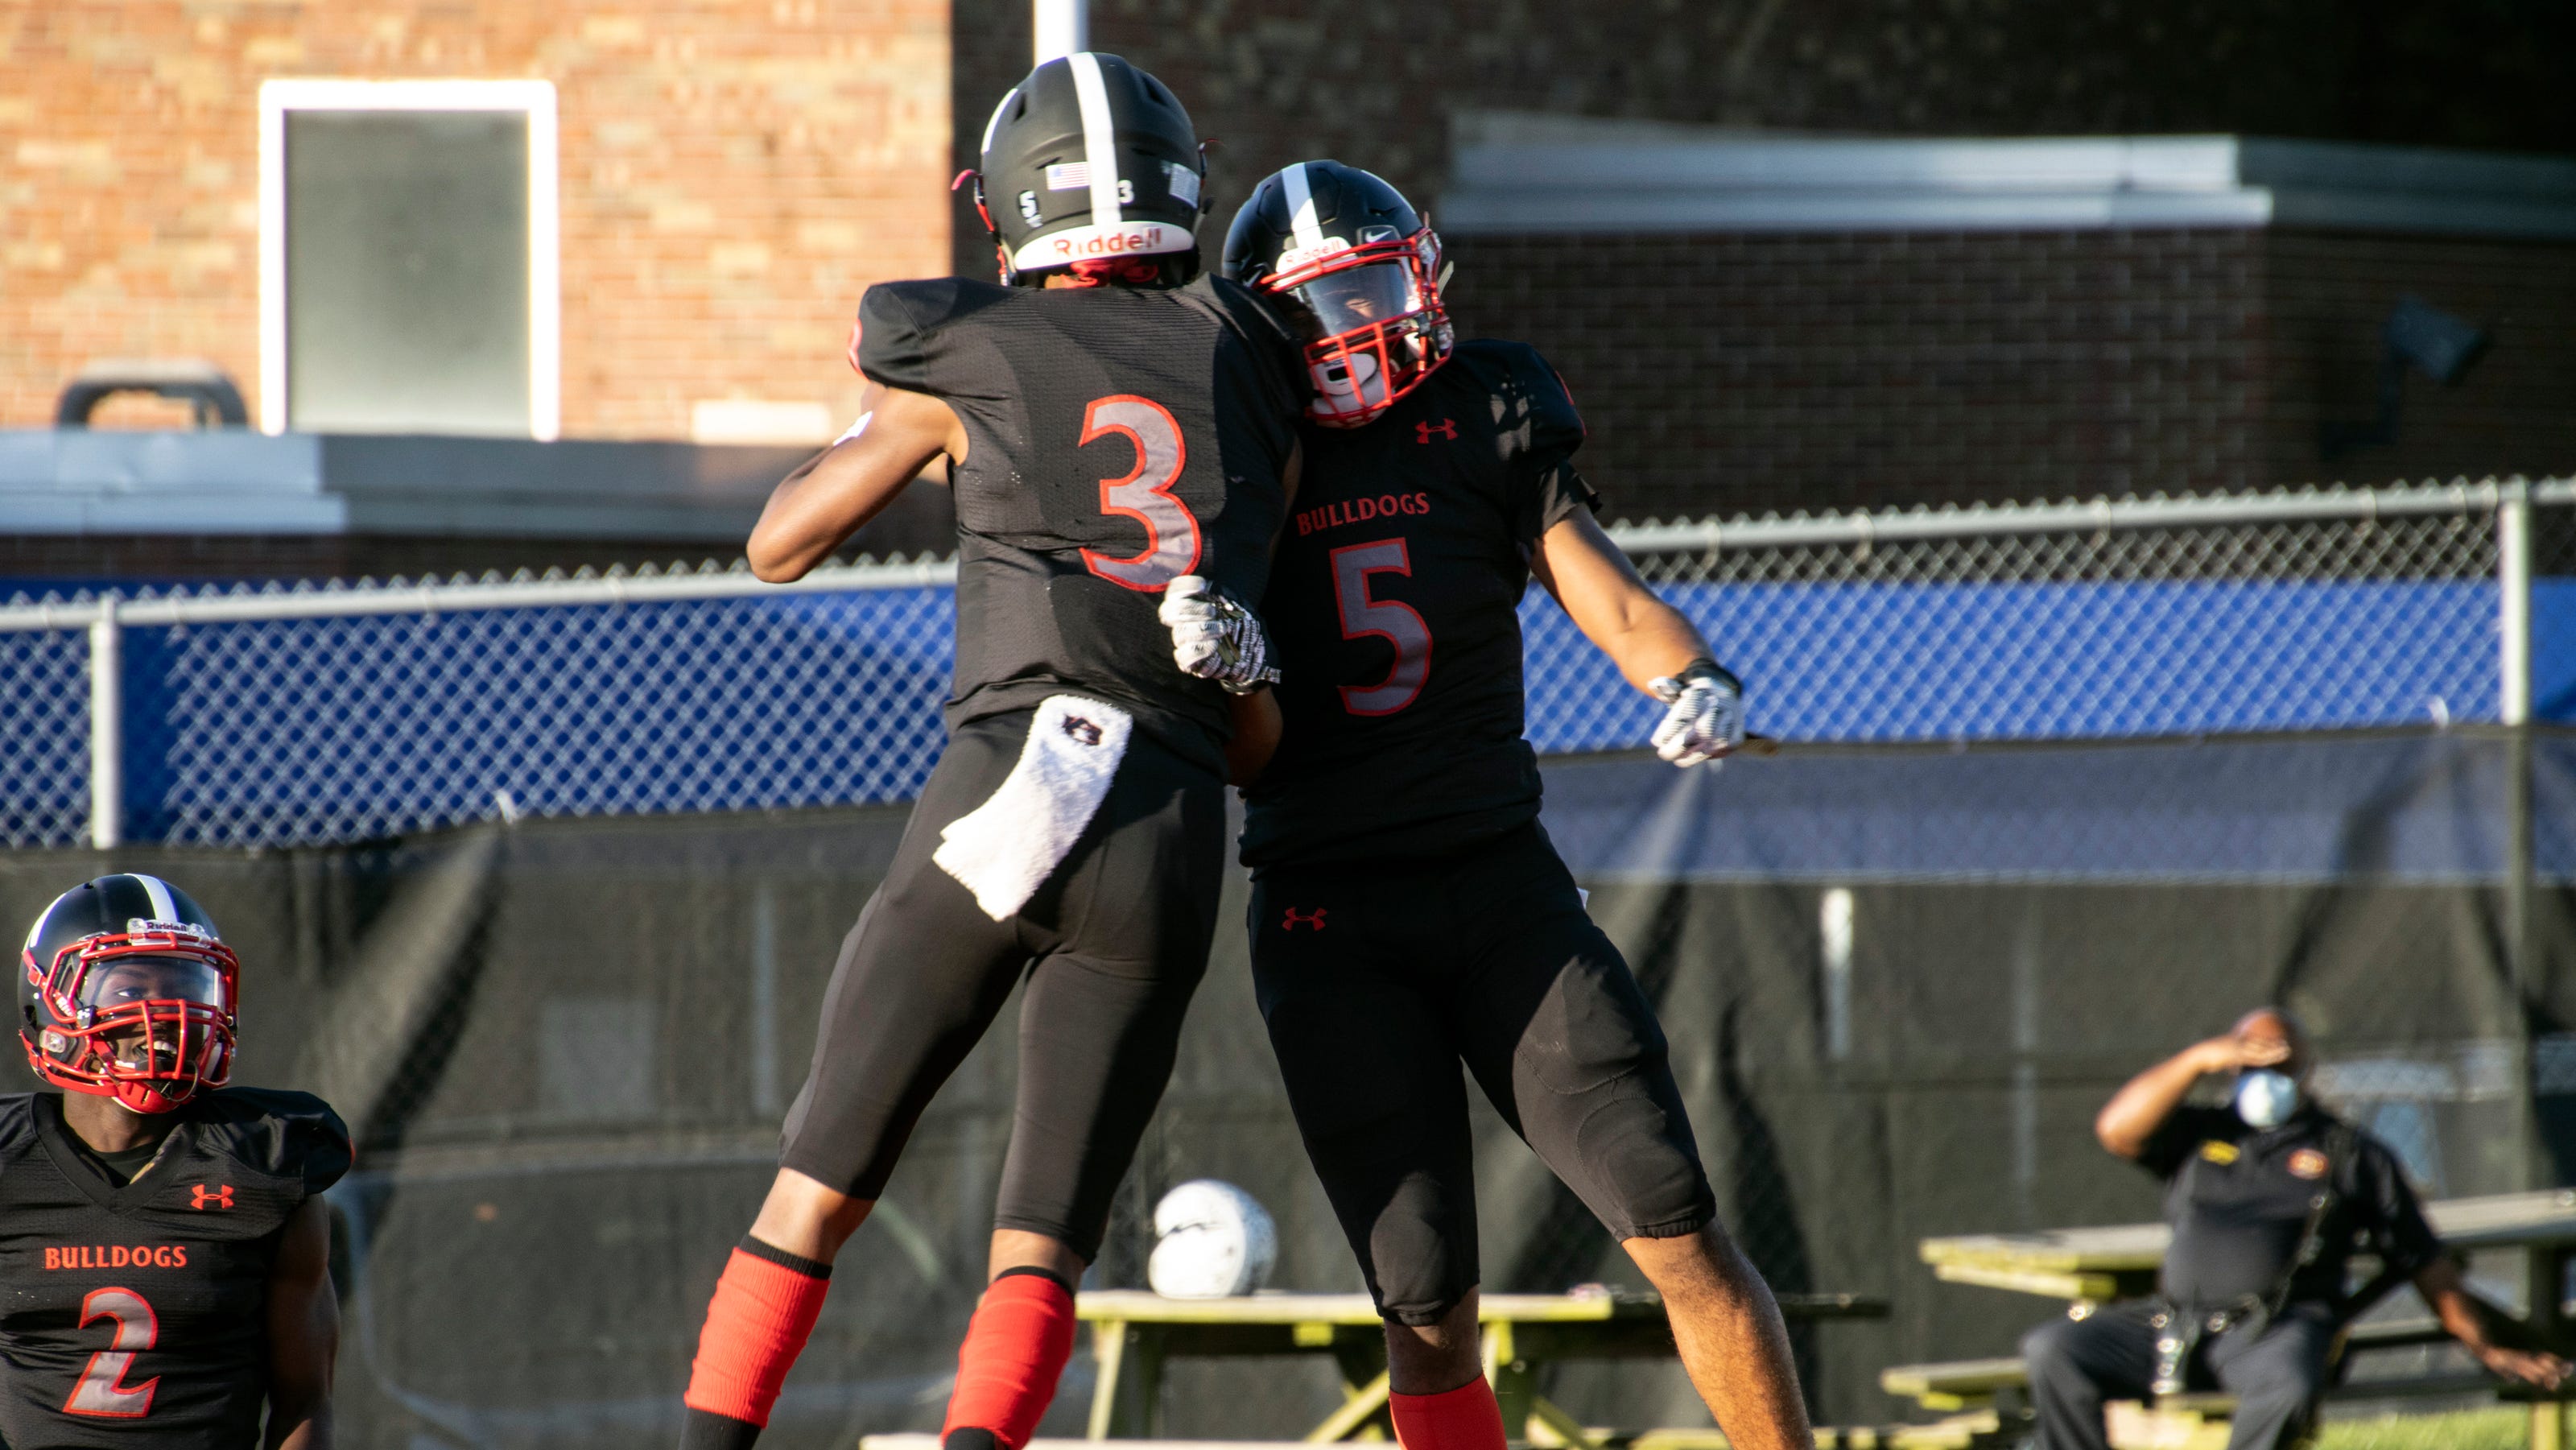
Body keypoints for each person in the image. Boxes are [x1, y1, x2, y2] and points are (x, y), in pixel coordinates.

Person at [675, 52, 1307, 1450]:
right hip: (1174, 822)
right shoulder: (1257, 361)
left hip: (1014, 782)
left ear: (1010, 203)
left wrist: (915, 424)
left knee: (819, 1187)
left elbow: (776, 546)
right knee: (1046, 1240)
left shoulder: (966, 354)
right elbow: (1266, 732)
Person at [1218, 160, 1813, 1450]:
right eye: (1326, 303)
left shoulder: (1482, 405)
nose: (1364, 324)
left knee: (1676, 1226)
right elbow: (1244, 752)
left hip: (1499, 889)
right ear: (1268, 328)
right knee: (1423, 1300)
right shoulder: (1243, 449)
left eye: (1379, 283)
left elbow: (1604, 589)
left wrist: (1691, 673)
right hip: (1328, 911)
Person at [2022, 1006, 2569, 1450]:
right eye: (2252, 1065)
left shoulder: (2350, 1152)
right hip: (2175, 1324)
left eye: (2281, 1067)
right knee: (2055, 1349)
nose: (2267, 1080)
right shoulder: (2200, 1134)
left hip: (2272, 1330)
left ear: (2306, 1073)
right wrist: (2195, 1059)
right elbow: (2116, 1130)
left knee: (2287, 1387)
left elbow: (2424, 1260)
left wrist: (2487, 1346)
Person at [1, 873, 349, 1450]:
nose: (164, 1013)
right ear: (49, 1003)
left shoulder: (263, 1165)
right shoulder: (12, 1165)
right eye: (130, 987)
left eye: (183, 987)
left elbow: (305, 1399)